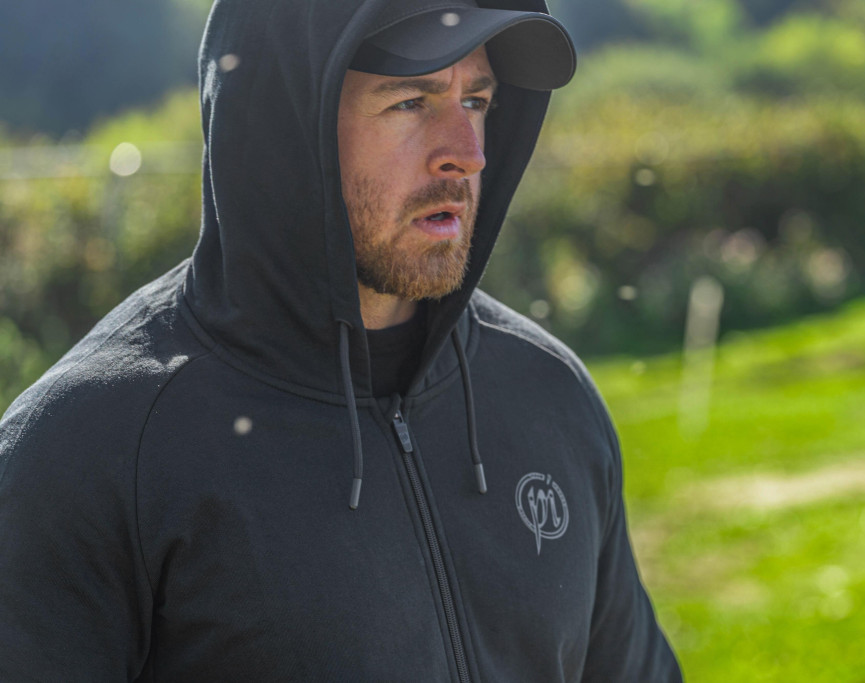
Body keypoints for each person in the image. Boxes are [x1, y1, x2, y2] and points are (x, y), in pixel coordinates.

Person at [0, 0, 683, 680]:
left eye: (476, 101)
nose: (468, 153)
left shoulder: (550, 395)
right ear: (284, 125)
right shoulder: (87, 452)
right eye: (410, 102)